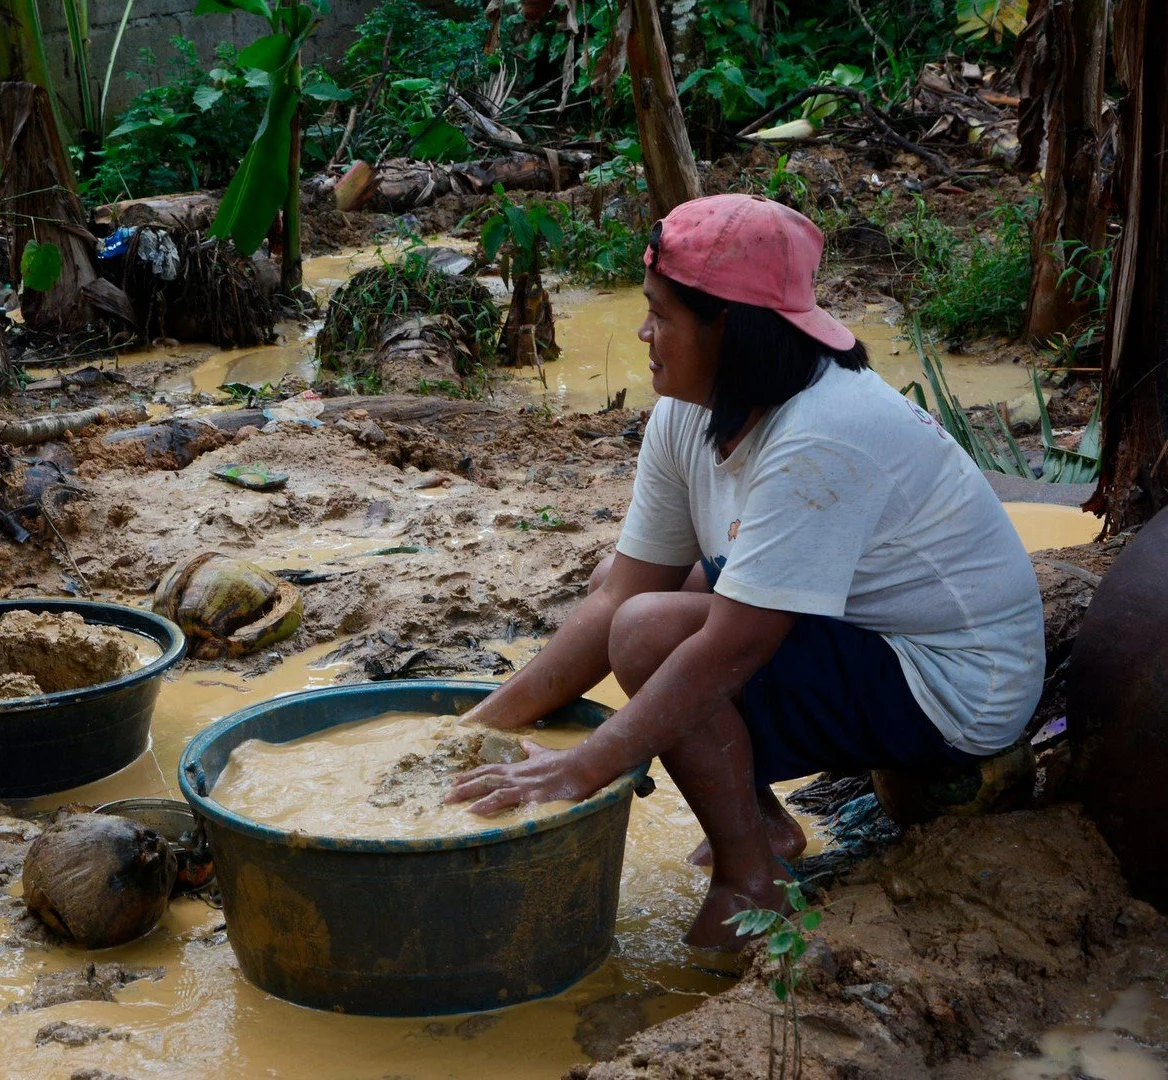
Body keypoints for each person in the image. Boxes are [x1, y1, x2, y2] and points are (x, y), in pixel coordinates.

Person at [445, 194, 1044, 948]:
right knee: (663, 595)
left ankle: (751, 879)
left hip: (958, 685)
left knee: (654, 634)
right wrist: (471, 728)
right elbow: (622, 589)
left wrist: (581, 768)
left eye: (660, 315)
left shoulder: (825, 435)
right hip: (860, 637)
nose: (643, 332)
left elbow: (730, 647)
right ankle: (760, 822)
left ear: (728, 327)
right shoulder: (687, 413)